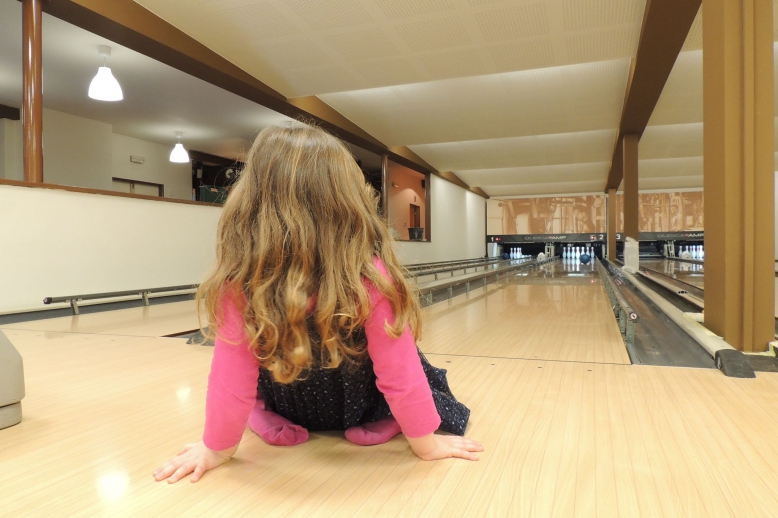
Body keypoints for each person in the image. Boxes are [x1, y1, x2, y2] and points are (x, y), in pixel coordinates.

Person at [153, 125, 482, 484]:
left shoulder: (241, 280)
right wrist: (425, 444)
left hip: (290, 402)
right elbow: (399, 370)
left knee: (258, 377)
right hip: (359, 401)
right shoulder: (369, 275)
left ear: (252, 200)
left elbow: (231, 377)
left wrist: (216, 448)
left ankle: (261, 416)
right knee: (409, 367)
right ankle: (384, 420)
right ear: (348, 201)